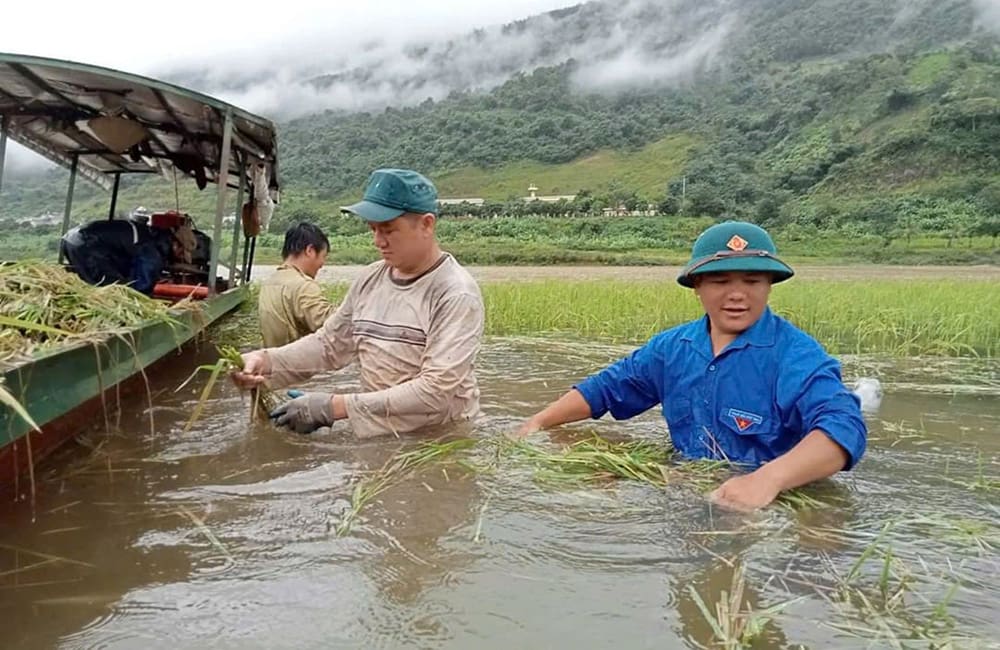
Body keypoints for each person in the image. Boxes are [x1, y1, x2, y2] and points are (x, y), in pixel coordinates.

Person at [517, 221, 867, 511]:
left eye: (752, 281)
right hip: (692, 489)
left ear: (769, 286)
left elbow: (844, 427)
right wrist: (538, 423)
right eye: (720, 281)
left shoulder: (795, 354)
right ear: (697, 286)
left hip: (772, 502)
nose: (737, 294)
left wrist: (767, 480)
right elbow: (607, 388)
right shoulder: (673, 348)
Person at [232, 168, 484, 438]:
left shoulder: (455, 294)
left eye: (388, 229)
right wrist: (266, 361)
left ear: (426, 224)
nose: (378, 241)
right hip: (376, 430)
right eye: (373, 229)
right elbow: (329, 344)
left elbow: (435, 391)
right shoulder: (370, 279)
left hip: (436, 443)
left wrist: (336, 406)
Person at [60, 217, 197, 295]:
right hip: (87, 244)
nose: (180, 257)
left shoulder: (151, 235)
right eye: (181, 253)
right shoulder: (152, 250)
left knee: (91, 284)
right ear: (175, 245)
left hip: (71, 239)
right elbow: (141, 288)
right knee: (113, 291)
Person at [258, 222, 337, 347]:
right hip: (298, 363)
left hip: (272, 360)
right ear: (310, 250)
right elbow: (332, 326)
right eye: (323, 256)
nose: (322, 264)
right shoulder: (303, 285)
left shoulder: (269, 283)